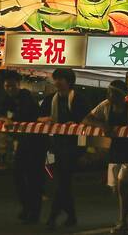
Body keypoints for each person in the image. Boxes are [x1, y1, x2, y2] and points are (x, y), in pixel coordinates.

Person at [83, 80, 128, 234]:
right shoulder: (105, 106)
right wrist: (102, 125)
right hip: (115, 151)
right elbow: (87, 119)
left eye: (113, 93)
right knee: (117, 190)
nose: (109, 95)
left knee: (122, 185)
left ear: (122, 95)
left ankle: (122, 222)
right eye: (109, 92)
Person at [37, 68, 90, 230]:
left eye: (61, 79)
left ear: (69, 82)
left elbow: (87, 121)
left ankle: (53, 216)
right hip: (57, 145)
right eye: (56, 79)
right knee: (63, 182)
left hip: (73, 146)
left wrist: (75, 124)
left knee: (62, 181)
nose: (58, 82)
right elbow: (38, 116)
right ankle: (71, 216)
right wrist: (44, 119)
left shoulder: (79, 99)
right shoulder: (50, 100)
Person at [0, 70, 47, 225]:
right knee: (18, 175)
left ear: (18, 85)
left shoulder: (26, 96)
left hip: (37, 142)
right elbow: (0, 113)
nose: (9, 88)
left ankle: (34, 212)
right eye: (7, 86)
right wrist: (5, 118)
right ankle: (27, 207)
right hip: (23, 142)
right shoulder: (7, 99)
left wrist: (12, 120)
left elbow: (26, 115)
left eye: (12, 85)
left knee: (34, 178)